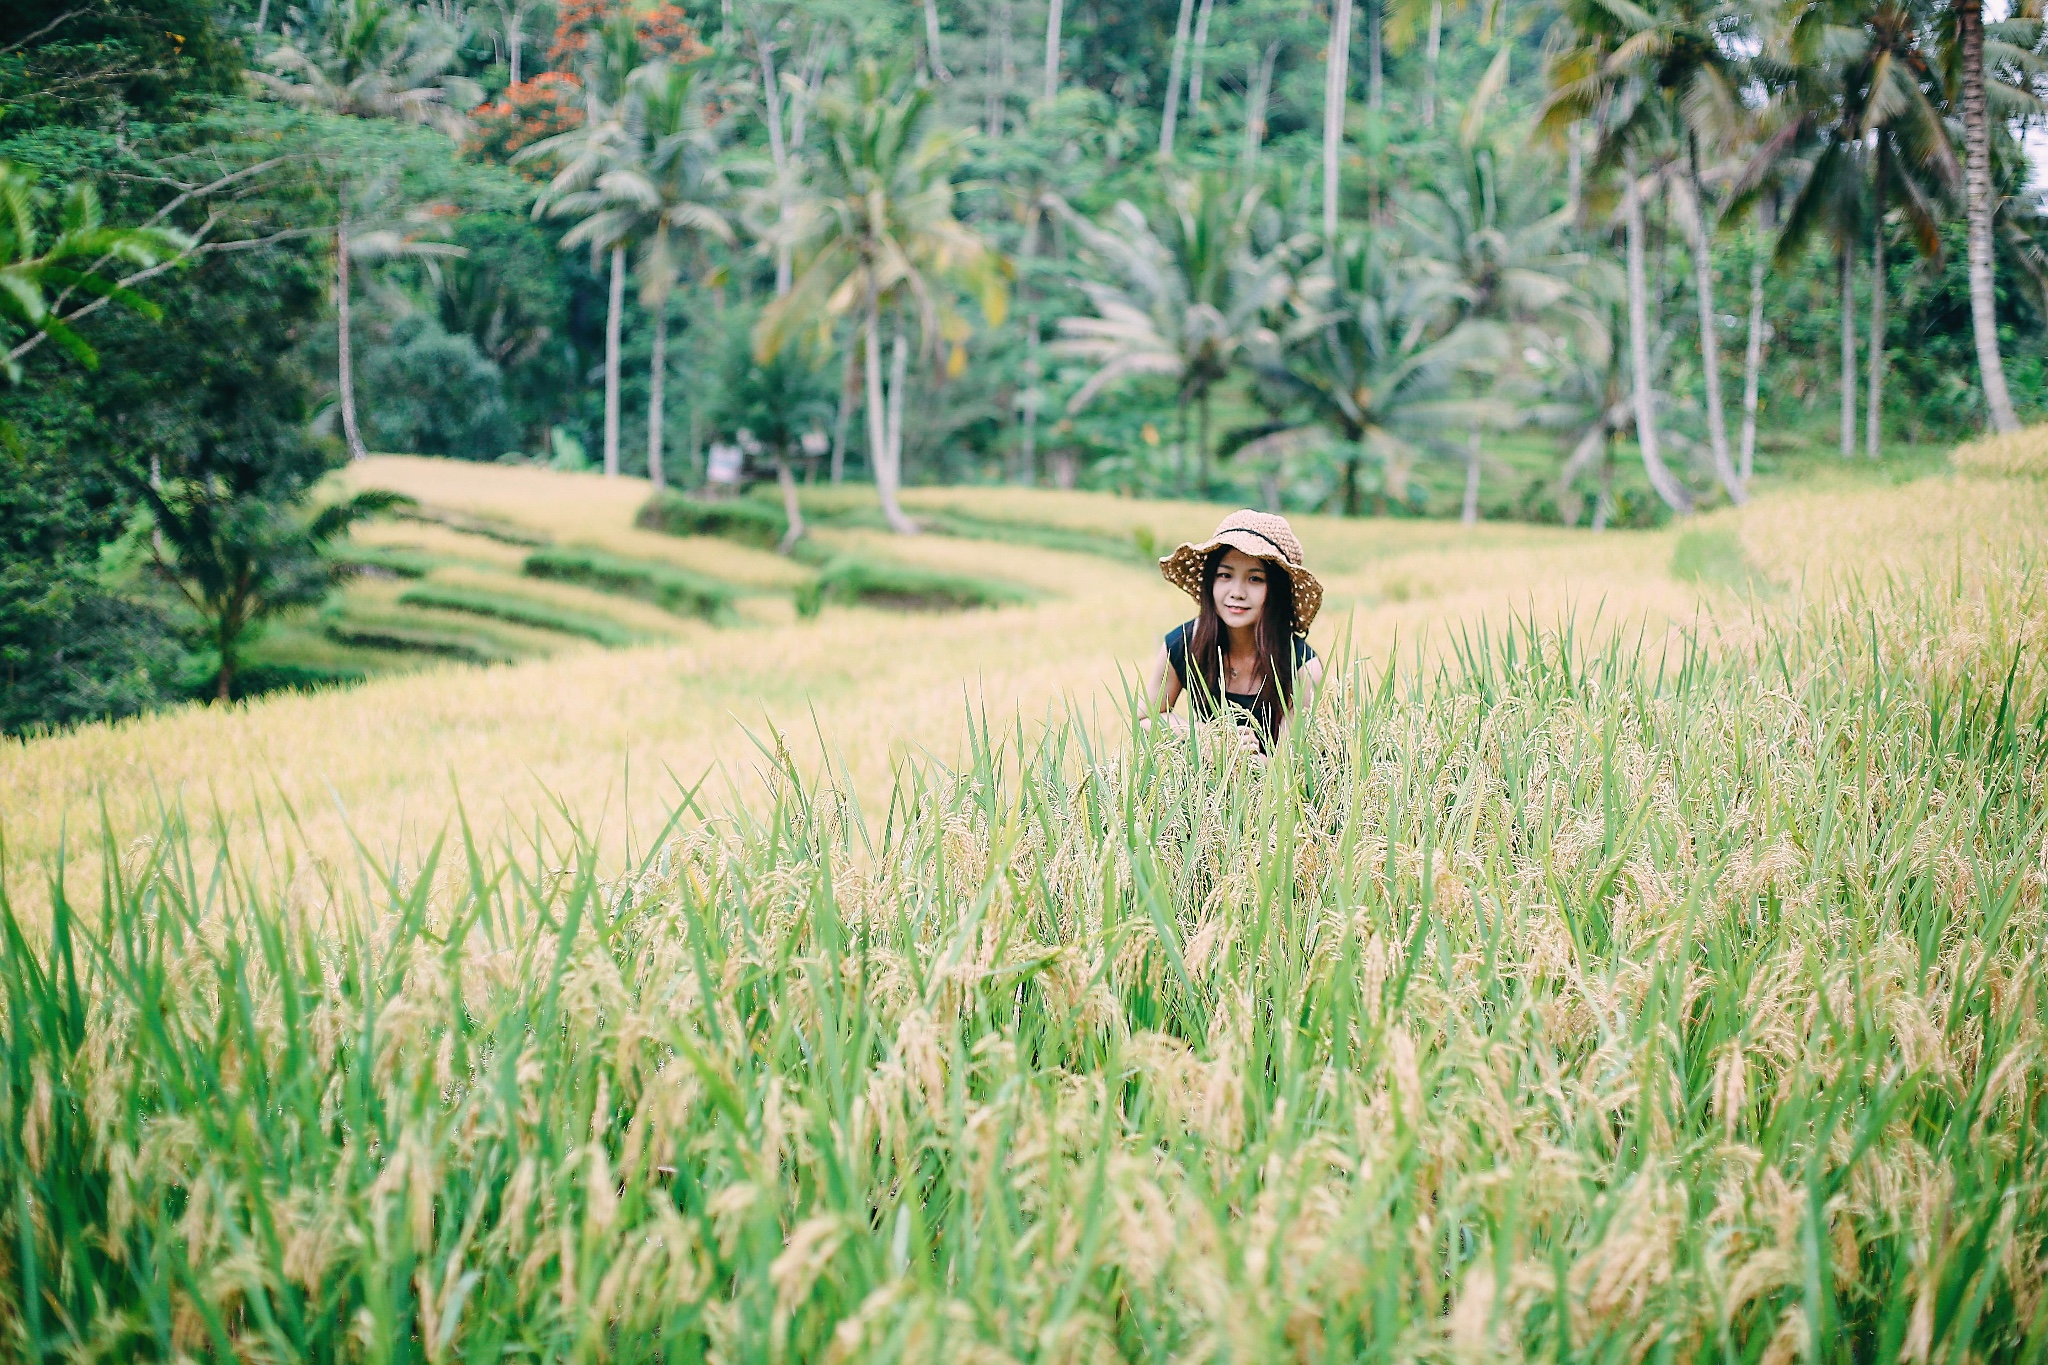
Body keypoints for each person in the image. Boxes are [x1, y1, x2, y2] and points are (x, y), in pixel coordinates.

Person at [1143, 510, 1325, 750]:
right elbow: (1146, 718)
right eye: (1225, 575)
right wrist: (1204, 736)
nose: (1237, 592)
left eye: (1255, 579)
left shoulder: (1302, 667)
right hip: (1202, 782)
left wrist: (1249, 761)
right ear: (1210, 582)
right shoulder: (1183, 645)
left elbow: (1292, 767)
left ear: (1278, 591)